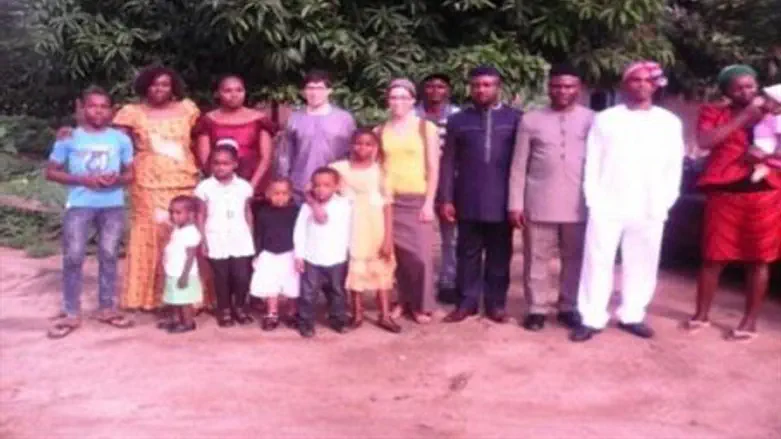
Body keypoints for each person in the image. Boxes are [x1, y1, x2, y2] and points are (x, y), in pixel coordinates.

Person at [570, 61, 685, 342]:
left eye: (647, 80)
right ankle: (592, 317)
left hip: (649, 204)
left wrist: (665, 201)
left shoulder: (669, 122)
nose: (642, 85)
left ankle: (632, 314)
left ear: (656, 86)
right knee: (597, 260)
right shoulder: (607, 118)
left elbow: (674, 166)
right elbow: (593, 161)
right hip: (607, 202)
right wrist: (593, 198)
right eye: (635, 80)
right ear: (625, 85)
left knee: (642, 261)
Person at [685, 65, 781, 341]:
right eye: (738, 88)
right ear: (725, 91)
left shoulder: (775, 110)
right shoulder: (714, 112)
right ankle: (701, 315)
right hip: (724, 193)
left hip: (766, 194)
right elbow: (705, 141)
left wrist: (766, 157)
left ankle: (749, 322)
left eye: (750, 86)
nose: (746, 91)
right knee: (713, 256)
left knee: (759, 259)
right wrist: (743, 118)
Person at [509, 64, 594, 331]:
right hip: (539, 202)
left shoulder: (593, 119)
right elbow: (518, 165)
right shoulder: (531, 120)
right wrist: (515, 204)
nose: (562, 91)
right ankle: (536, 308)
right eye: (557, 85)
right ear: (549, 87)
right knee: (536, 258)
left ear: (578, 88)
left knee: (575, 258)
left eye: (569, 86)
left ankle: (569, 306)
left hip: (580, 203)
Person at [45, 86, 134, 339]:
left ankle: (106, 308)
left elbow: (131, 174)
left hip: (112, 205)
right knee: (73, 256)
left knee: (108, 254)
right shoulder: (69, 138)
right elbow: (51, 172)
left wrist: (114, 179)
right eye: (93, 106)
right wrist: (81, 179)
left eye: (104, 106)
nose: (98, 111)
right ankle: (71, 311)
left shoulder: (120, 139)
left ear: (111, 111)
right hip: (79, 204)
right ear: (82, 109)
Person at [111, 65, 202, 312]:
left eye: (164, 84)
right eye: (154, 84)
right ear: (144, 86)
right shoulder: (131, 113)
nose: (159, 89)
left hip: (182, 181)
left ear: (172, 87)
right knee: (152, 235)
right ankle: (149, 297)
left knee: (184, 237)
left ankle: (187, 297)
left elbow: (198, 140)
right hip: (147, 184)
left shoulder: (187, 109)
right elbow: (117, 147)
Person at [440, 66, 521, 324]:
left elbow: (522, 164)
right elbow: (448, 161)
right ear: (470, 88)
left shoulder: (515, 119)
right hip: (468, 198)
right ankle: (467, 303)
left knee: (499, 254)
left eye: (487, 85)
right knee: (467, 253)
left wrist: (519, 202)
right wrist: (446, 198)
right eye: (476, 85)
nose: (481, 89)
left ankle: (496, 304)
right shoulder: (458, 120)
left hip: (502, 199)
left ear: (498, 87)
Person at [376, 78, 440, 324]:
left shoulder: (425, 128)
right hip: (390, 200)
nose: (398, 102)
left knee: (421, 257)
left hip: (416, 198)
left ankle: (422, 304)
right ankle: (402, 301)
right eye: (393, 97)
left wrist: (429, 202)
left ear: (413, 100)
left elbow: (434, 167)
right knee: (397, 258)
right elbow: (379, 165)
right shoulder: (381, 130)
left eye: (403, 97)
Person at [330, 129, 401, 333]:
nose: (363, 148)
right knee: (356, 268)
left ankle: (385, 315)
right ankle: (357, 313)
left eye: (368, 144)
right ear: (351, 145)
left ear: (375, 147)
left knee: (382, 268)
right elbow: (317, 186)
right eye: (358, 143)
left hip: (375, 224)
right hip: (351, 225)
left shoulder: (380, 172)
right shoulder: (339, 169)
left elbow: (388, 205)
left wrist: (388, 238)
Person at [195, 145, 255, 327]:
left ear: (235, 164)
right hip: (216, 237)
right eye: (216, 163)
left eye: (225, 163)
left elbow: (247, 212)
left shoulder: (244, 186)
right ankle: (224, 310)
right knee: (222, 277)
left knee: (241, 276)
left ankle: (240, 307)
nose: (221, 167)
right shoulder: (204, 187)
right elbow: (200, 215)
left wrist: (250, 236)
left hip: (240, 237)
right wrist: (203, 240)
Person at [415, 73, 461, 305]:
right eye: (430, 86)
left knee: (450, 238)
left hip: (448, 184)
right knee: (418, 237)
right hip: (417, 183)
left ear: (448, 91)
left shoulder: (457, 116)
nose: (435, 90)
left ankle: (448, 282)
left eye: (440, 86)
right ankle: (418, 284)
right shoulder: (412, 115)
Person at [293, 167, 352, 338]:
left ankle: (338, 319)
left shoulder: (344, 205)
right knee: (308, 292)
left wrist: (350, 252)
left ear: (336, 186)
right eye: (317, 185)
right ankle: (305, 322)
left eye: (327, 185)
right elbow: (300, 231)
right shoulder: (306, 207)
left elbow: (325, 218)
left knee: (337, 291)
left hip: (336, 256)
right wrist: (299, 255)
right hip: (312, 257)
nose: (321, 189)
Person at [283, 70, 356, 203]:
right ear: (304, 92)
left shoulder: (344, 119)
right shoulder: (294, 119)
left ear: (329, 91)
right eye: (310, 88)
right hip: (300, 187)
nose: (314, 93)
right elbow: (286, 155)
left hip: (336, 187)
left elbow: (352, 153)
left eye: (320, 88)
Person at [194, 75, 274, 195]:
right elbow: (204, 159)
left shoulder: (259, 119)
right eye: (228, 91)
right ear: (218, 93)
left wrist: (250, 187)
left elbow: (266, 158)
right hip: (219, 187)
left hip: (254, 184)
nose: (234, 94)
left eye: (239, 90)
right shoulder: (208, 121)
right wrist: (221, 186)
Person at [250, 178, 300, 331]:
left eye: (284, 193)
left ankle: (292, 312)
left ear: (290, 194)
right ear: (268, 194)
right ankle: (272, 313)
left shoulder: (296, 212)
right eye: (276, 193)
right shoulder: (263, 212)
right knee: (271, 284)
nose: (280, 197)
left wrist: (300, 254)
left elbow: (301, 234)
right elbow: (259, 234)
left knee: (292, 285)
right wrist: (257, 254)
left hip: (290, 253)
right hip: (269, 254)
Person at [160, 196, 202, 334]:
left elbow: (190, 257)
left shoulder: (191, 232)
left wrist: (185, 275)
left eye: (178, 213)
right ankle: (176, 320)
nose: (173, 216)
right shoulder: (178, 229)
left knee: (184, 301)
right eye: (171, 212)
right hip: (173, 270)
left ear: (190, 215)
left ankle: (188, 322)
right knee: (175, 299)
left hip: (184, 273)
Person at [748, 84, 781, 182]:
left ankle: (765, 167)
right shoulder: (769, 115)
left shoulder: (779, 118)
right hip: (762, 147)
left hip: (768, 150)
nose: (764, 100)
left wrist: (774, 153)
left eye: (768, 99)